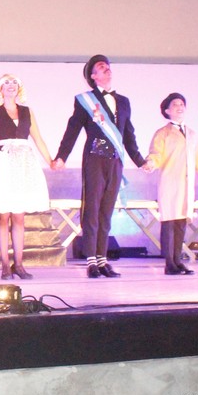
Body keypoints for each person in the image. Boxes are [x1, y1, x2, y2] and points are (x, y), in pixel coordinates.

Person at [53, 55, 149, 278]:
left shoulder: (123, 101)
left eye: (108, 66)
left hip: (115, 161)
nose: (107, 69)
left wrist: (140, 161)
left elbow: (128, 135)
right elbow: (72, 130)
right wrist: (62, 156)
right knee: (92, 209)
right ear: (93, 76)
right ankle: (91, 261)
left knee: (107, 211)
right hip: (95, 159)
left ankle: (102, 259)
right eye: (101, 67)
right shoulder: (85, 100)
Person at [0, 74, 52, 280]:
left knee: (19, 215)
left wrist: (50, 161)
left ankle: (19, 264)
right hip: (2, 163)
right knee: (3, 214)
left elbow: (38, 139)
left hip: (23, 164)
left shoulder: (27, 111)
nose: (10, 86)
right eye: (6, 83)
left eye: (14, 83)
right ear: (0, 89)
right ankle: (5, 265)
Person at [147, 93, 198, 275]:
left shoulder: (192, 134)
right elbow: (156, 154)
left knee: (181, 223)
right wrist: (150, 164)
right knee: (169, 222)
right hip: (170, 183)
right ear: (167, 110)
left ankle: (178, 260)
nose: (179, 107)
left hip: (186, 185)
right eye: (175, 104)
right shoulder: (163, 133)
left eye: (182, 104)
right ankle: (169, 263)